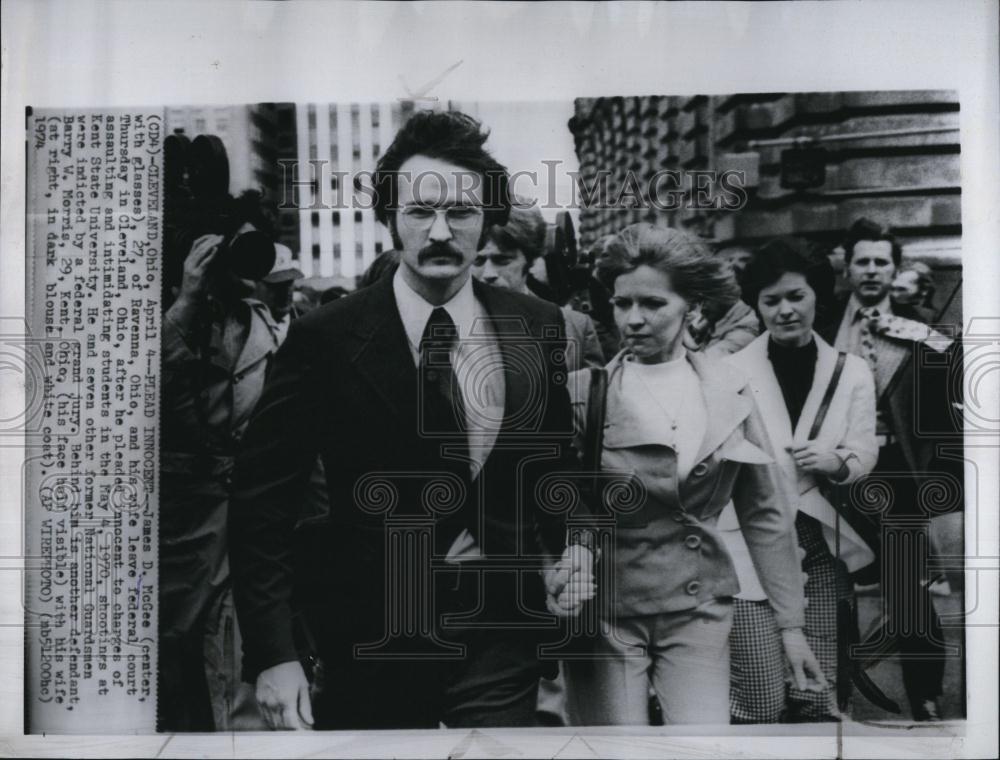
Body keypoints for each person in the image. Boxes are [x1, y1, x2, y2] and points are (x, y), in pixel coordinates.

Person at [228, 110, 595, 731]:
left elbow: (556, 468)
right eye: (421, 211)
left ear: (488, 219)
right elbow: (262, 504)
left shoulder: (535, 325)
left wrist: (575, 547)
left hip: (499, 629)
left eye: (462, 212)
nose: (441, 231)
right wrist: (274, 653)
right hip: (370, 634)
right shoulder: (327, 339)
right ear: (390, 217)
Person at [563, 223, 825, 725]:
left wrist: (791, 627)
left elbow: (766, 513)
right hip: (609, 612)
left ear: (694, 308)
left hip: (699, 608)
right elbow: (562, 506)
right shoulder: (584, 393)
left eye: (653, 304)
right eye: (622, 304)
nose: (633, 319)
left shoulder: (730, 389)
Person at [718, 237, 878, 722]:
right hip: (746, 543)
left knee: (819, 687)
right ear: (757, 306)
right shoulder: (727, 371)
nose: (786, 310)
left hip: (820, 536)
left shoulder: (851, 371)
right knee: (761, 697)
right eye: (771, 301)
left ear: (817, 298)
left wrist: (837, 462)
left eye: (797, 297)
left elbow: (864, 449)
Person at [819, 217, 961, 721]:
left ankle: (924, 694)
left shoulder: (922, 330)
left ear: (894, 269)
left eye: (882, 261)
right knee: (833, 584)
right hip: (834, 472)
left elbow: (945, 408)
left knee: (905, 588)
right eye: (863, 261)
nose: (872, 270)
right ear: (848, 268)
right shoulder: (824, 321)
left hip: (895, 473)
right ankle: (835, 693)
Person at [160, 221, 280, 731]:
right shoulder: (171, 320)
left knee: (238, 670)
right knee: (175, 667)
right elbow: (142, 397)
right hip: (184, 523)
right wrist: (187, 299)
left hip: (251, 516)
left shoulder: (263, 323)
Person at [472, 198, 604, 371]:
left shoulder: (575, 327)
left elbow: (592, 393)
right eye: (478, 261)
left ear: (530, 260)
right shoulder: (447, 320)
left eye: (502, 260)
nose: (488, 273)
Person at [255, 243, 304, 345]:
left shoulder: (308, 320)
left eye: (289, 282)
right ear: (255, 284)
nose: (286, 291)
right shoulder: (243, 326)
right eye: (276, 285)